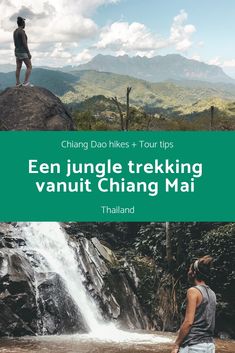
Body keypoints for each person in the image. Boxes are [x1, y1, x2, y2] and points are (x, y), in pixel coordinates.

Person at [171, 255, 216, 353]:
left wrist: (176, 344)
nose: (188, 272)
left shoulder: (193, 291)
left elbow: (188, 322)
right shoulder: (212, 293)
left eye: (189, 270)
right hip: (210, 346)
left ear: (194, 273)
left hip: (193, 346)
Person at [13, 16, 33, 87]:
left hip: (17, 51)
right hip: (23, 52)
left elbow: (15, 42)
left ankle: (18, 83)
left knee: (18, 67)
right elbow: (24, 43)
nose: (25, 24)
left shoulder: (15, 31)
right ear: (22, 23)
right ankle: (25, 82)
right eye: (24, 23)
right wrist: (28, 53)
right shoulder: (22, 32)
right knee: (29, 66)